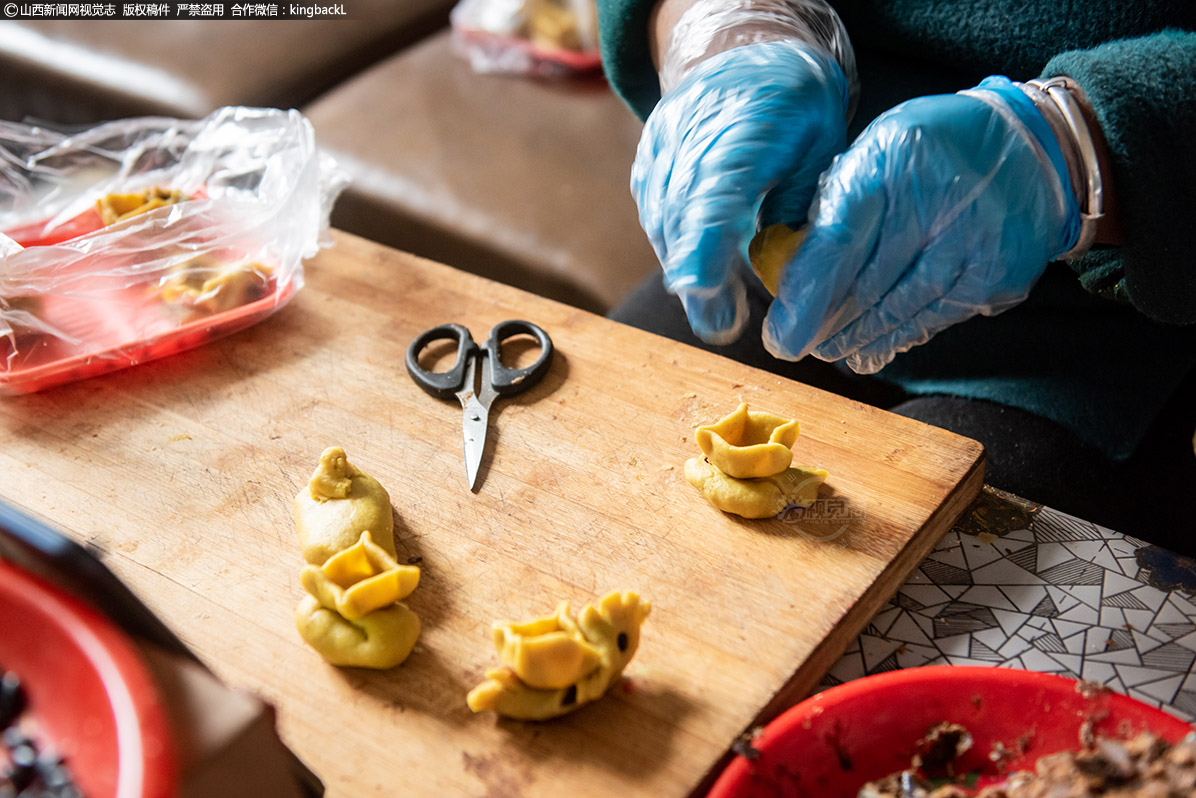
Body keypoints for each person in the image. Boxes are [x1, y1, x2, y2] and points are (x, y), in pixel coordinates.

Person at [594, 0, 1196, 551]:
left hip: (1118, 336)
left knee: (910, 597)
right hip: (799, 216)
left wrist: (1079, 149)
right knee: (605, 460)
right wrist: (725, 27)